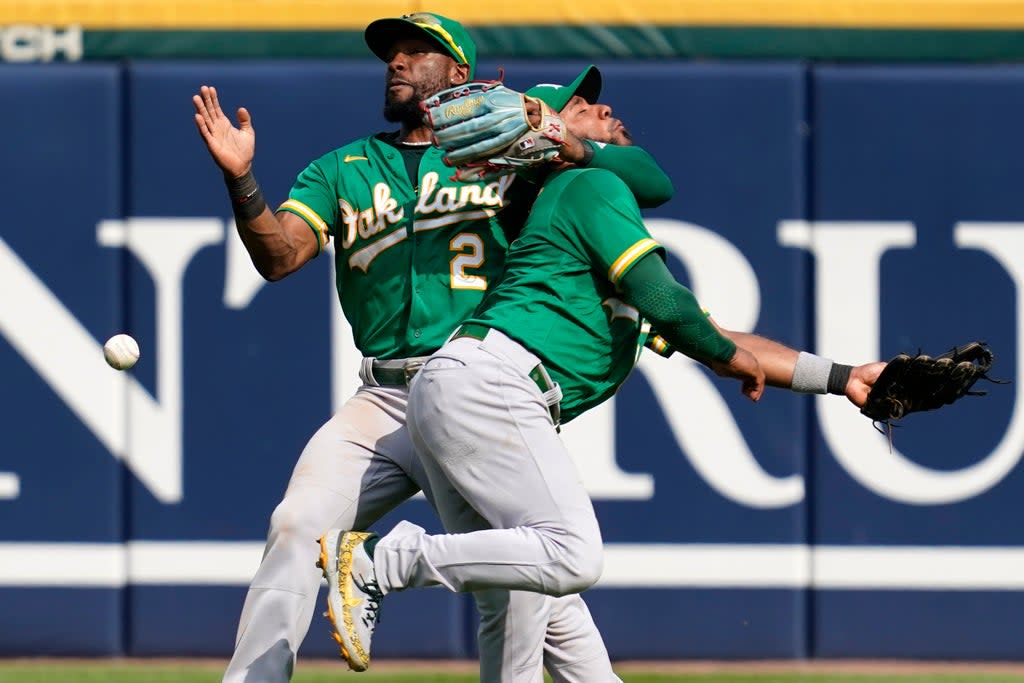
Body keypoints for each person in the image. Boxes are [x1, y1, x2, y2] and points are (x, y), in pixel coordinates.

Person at [317, 67, 889, 669]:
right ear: (543, 131)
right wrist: (727, 357)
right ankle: (380, 562)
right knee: (572, 556)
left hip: (457, 385)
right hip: (493, 383)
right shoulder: (588, 188)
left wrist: (840, 377)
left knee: (529, 602)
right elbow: (669, 302)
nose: (604, 106)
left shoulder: (563, 212)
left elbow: (705, 330)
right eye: (583, 105)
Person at [192, 12, 674, 683]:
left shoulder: (510, 160)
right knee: (297, 525)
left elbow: (644, 180)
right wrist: (243, 181)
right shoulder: (346, 168)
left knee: (528, 593)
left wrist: (560, 139)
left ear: (458, 74)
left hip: (480, 393)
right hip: (384, 398)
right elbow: (281, 255)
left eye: (418, 51)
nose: (397, 61)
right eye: (391, 52)